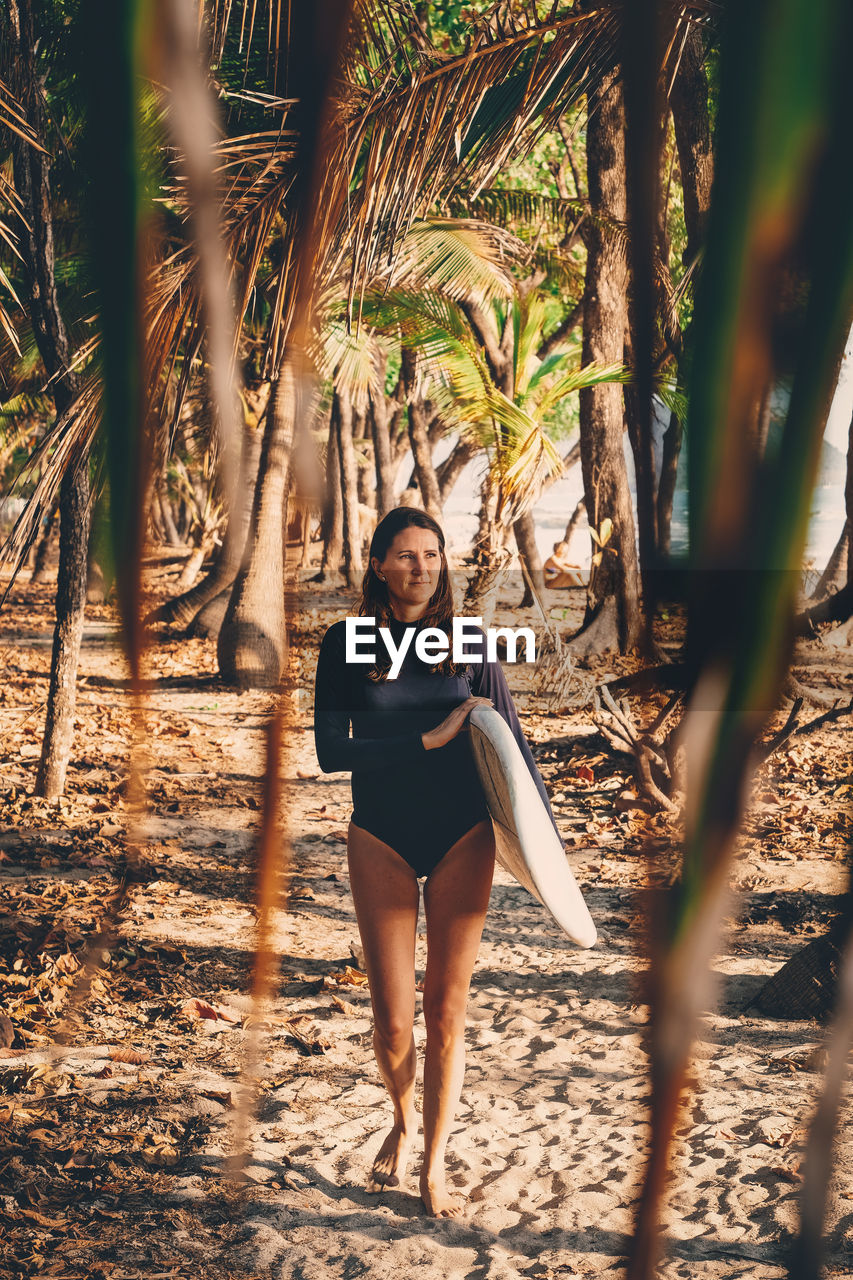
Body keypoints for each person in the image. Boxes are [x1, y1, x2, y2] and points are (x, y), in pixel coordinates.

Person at [313, 506, 558, 1218]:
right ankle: (399, 1116)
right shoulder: (346, 644)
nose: (420, 568)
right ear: (378, 565)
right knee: (392, 1019)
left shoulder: (471, 643)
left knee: (444, 1011)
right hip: (381, 834)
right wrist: (426, 740)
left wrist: (549, 859)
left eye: (431, 555)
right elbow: (331, 752)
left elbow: (512, 747)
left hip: (461, 835)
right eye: (405, 555)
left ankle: (434, 1157)